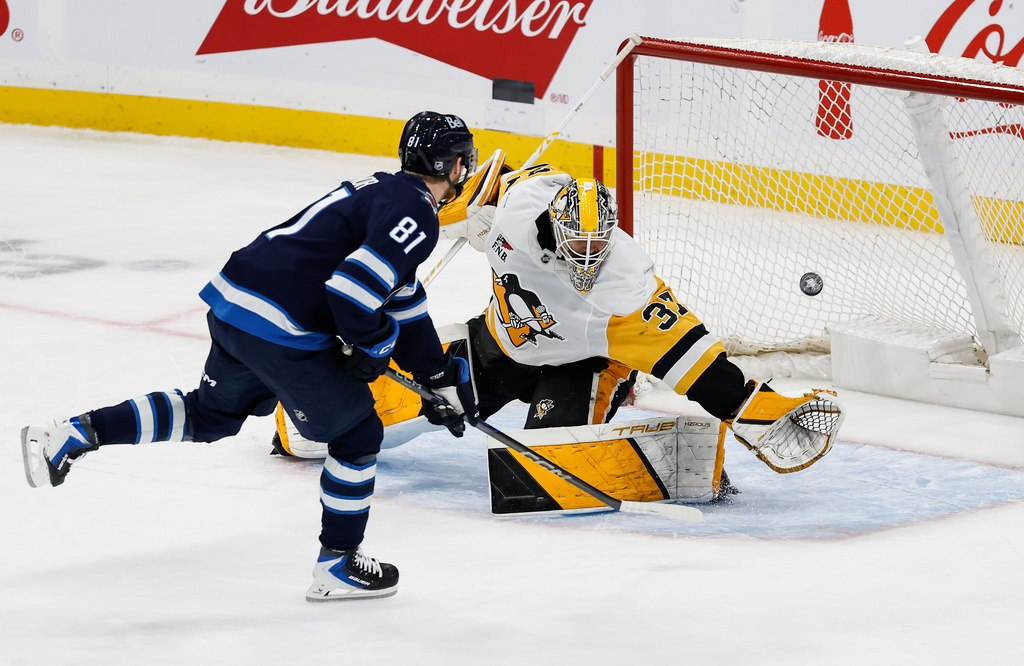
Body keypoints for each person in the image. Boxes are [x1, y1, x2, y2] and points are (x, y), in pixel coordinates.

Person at [20, 111, 480, 603]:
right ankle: (338, 565)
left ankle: (74, 432)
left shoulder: (381, 190)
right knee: (356, 432)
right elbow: (351, 292)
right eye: (462, 158)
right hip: (283, 328)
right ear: (452, 164)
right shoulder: (416, 214)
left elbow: (401, 298)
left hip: (236, 304)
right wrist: (372, 342)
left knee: (210, 413)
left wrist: (433, 372)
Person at [273, 161, 845, 494]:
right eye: (578, 248)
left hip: (579, 367)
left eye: (598, 249)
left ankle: (697, 466)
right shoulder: (517, 204)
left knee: (540, 474)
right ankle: (297, 418)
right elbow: (437, 199)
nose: (586, 263)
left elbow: (699, 366)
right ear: (554, 222)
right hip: (499, 342)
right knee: (333, 428)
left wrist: (755, 406)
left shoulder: (627, 288)